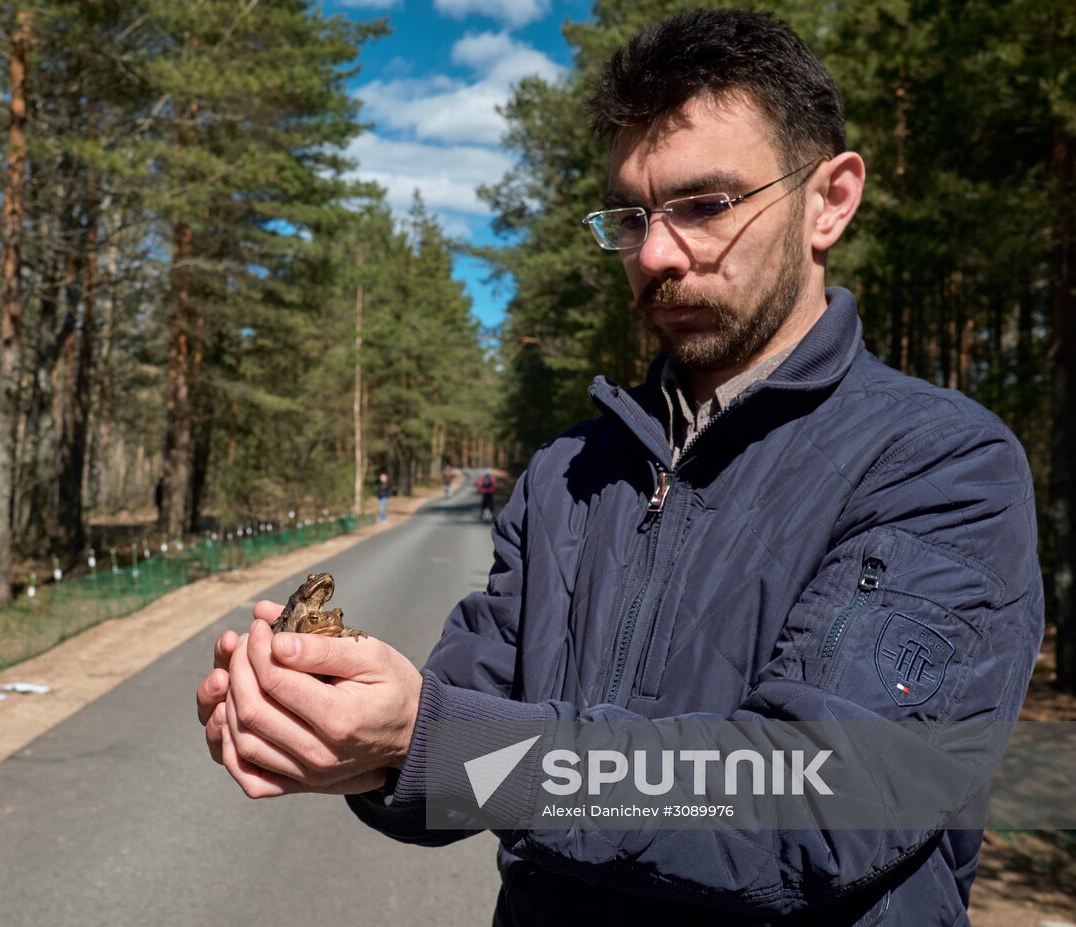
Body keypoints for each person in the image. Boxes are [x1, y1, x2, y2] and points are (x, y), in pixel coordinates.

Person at [195, 10, 1042, 924]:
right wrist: (354, 735)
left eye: (705, 205)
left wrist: (439, 739)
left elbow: (826, 801)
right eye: (630, 216)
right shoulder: (567, 472)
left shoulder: (943, 465)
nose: (654, 254)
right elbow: (461, 728)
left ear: (829, 199)